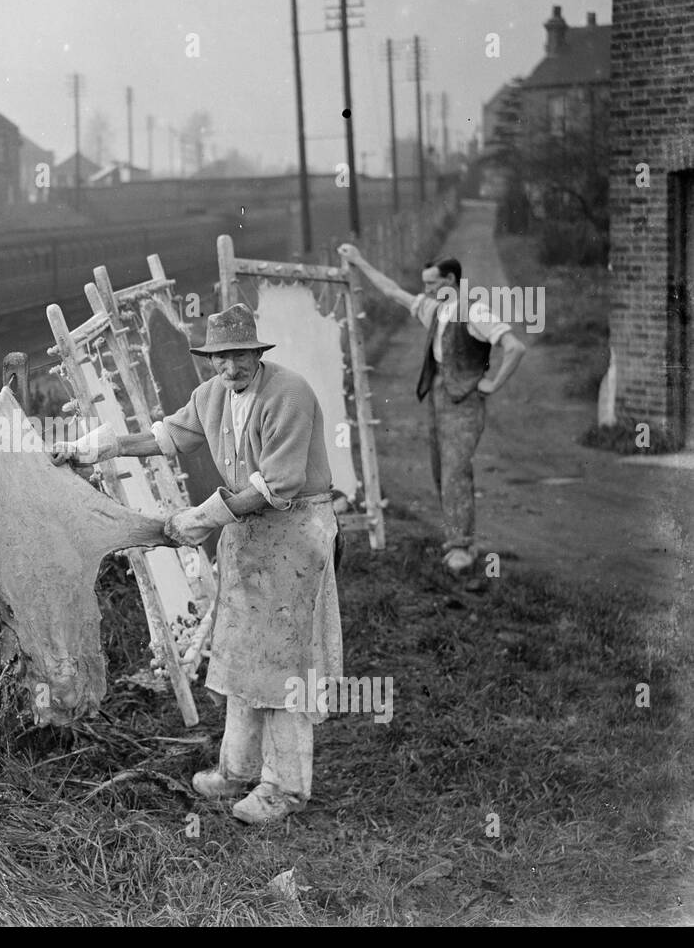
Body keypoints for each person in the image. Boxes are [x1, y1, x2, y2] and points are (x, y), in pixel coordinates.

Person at [50, 303, 340, 826]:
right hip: (248, 535)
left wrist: (203, 517)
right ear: (210, 361)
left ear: (257, 351)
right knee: (241, 653)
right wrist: (97, 448)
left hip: (296, 534)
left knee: (285, 662)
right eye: (219, 359)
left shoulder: (289, 394)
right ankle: (237, 769)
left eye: (240, 356)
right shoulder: (212, 396)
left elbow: (279, 484)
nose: (230, 368)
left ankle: (284, 788)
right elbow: (163, 438)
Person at [337, 245, 526, 575]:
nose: (426, 291)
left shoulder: (475, 311)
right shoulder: (435, 310)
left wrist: (493, 384)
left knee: (455, 471)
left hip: (465, 403)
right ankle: (459, 539)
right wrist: (359, 261)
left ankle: (462, 547)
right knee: (441, 471)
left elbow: (515, 347)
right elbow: (393, 291)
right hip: (438, 397)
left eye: (432, 285)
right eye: (424, 286)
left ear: (451, 280)